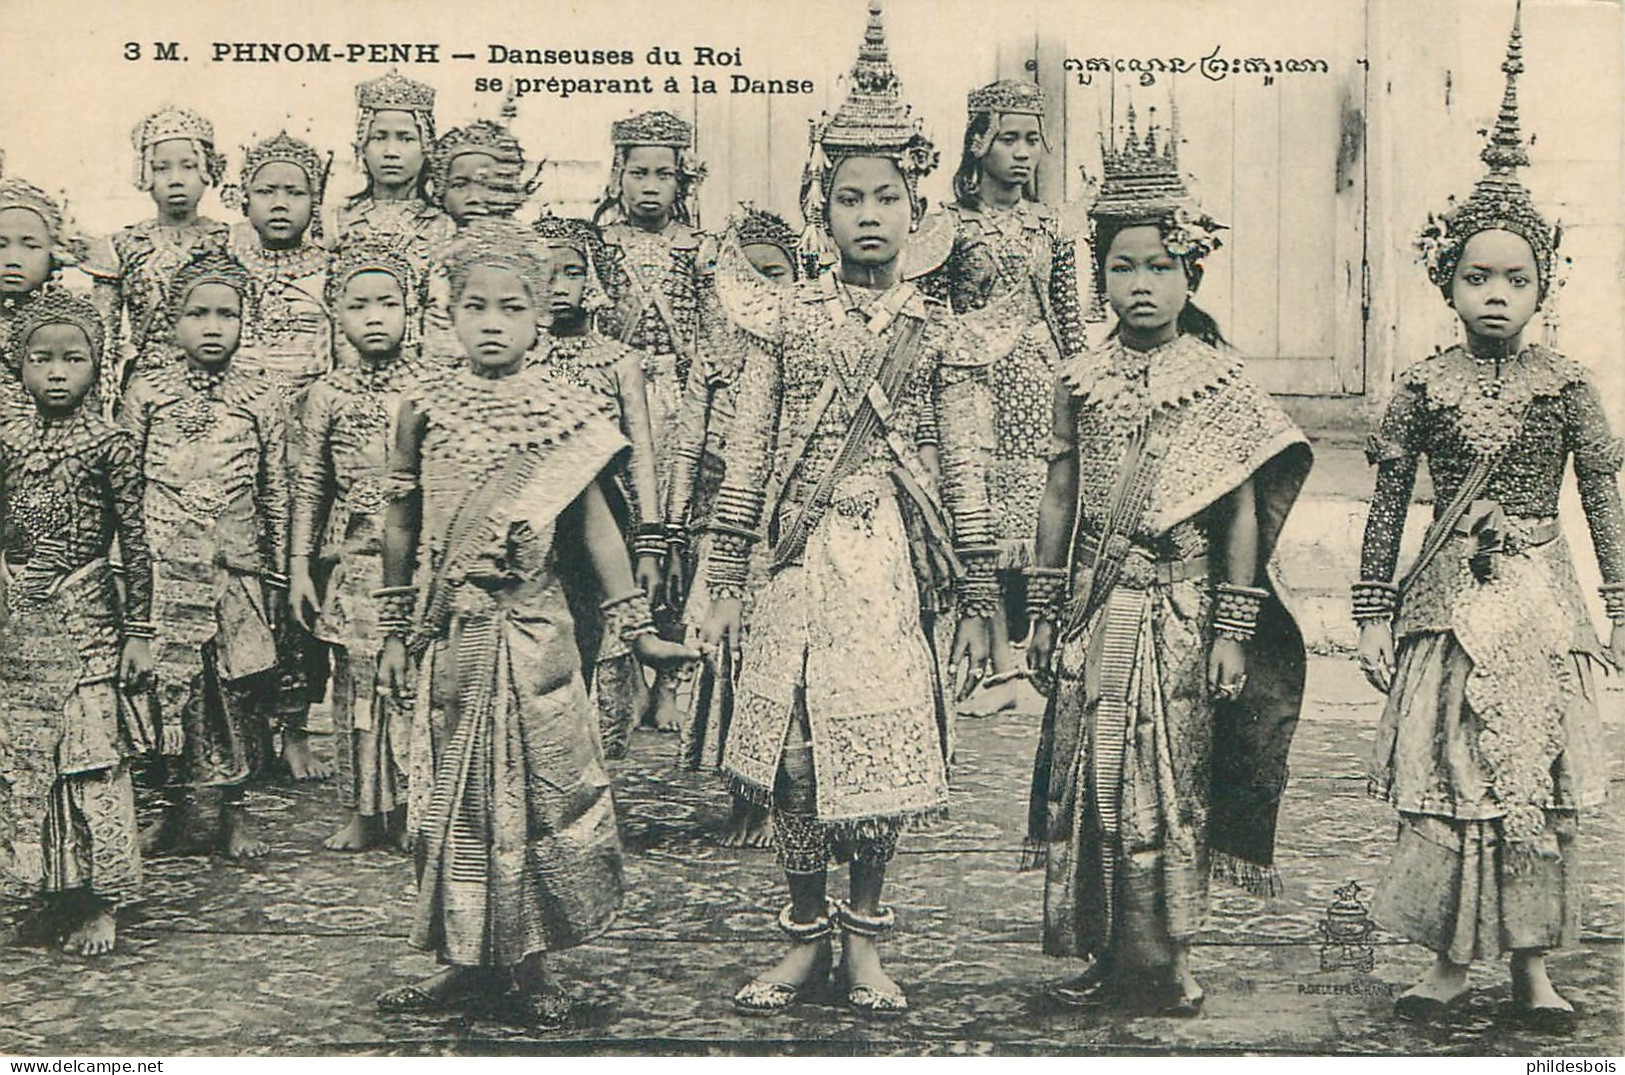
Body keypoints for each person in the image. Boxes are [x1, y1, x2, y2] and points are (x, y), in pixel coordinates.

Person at [703, 0, 995, 1017]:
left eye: (884, 197)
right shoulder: (782, 319)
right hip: (792, 558)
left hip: (887, 565)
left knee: (873, 745)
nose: (866, 213)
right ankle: (799, 933)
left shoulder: (940, 329)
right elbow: (744, 449)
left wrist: (971, 582)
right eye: (846, 198)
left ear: (916, 210)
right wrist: (724, 572)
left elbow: (964, 462)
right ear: (818, 210)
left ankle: (865, 939)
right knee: (792, 754)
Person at [1353, 1, 1621, 1030]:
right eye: (1477, 276)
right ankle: (1446, 963)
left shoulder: (1565, 386)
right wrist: (1371, 611)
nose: (1495, 294)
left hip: (1540, 611)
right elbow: (1383, 502)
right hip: (1445, 612)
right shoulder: (1420, 387)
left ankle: (1530, 969)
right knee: (1446, 775)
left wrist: (1618, 605)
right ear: (1445, 282)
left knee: (1533, 782)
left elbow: (1599, 495)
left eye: (1515, 278)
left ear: (1542, 284)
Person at [1023, 108, 1312, 1016]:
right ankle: (1108, 954)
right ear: (1098, 273)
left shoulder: (1217, 380)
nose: (1141, 284)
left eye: (1160, 265)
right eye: (1122, 265)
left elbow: (1237, 511)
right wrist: (1042, 611)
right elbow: (1058, 497)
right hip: (1096, 606)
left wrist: (1233, 630)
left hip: (1181, 611)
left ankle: (1171, 958)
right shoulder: (1077, 376)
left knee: (1167, 780)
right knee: (1093, 776)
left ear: (1191, 269)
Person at [370, 218, 692, 1028]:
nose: (490, 322)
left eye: (510, 308)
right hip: (455, 633)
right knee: (457, 798)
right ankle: (459, 957)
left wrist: (634, 625)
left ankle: (532, 962)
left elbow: (593, 529)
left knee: (539, 797)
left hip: (538, 635)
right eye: (473, 306)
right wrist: (392, 621)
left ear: (539, 316)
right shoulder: (420, 402)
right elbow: (400, 518)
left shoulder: (565, 410)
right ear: (444, 311)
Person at [925, 78, 1091, 717]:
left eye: (1032, 141)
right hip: (975, 387)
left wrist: (1080, 384)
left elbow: (1070, 318)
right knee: (984, 519)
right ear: (976, 145)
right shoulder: (948, 228)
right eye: (1009, 139)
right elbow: (935, 316)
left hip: (1042, 383)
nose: (1023, 154)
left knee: (1040, 518)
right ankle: (994, 663)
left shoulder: (1052, 226)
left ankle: (1029, 659)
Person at [119, 250, 290, 861]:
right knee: (170, 688)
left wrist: (278, 572)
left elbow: (277, 487)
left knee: (240, 685)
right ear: (172, 321)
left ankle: (235, 808)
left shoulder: (260, 394)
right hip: (166, 566)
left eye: (227, 314)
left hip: (235, 566)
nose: (212, 326)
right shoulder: (147, 390)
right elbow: (126, 482)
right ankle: (169, 808)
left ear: (247, 322)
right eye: (198, 313)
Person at [0, 288, 153, 955]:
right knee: (29, 761)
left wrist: (142, 632)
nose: (57, 372)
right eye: (41, 359)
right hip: (19, 620)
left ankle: (101, 898)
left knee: (89, 759)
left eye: (74, 359)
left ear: (98, 364)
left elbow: (138, 541)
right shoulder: (7, 438)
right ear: (18, 365)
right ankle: (48, 889)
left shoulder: (111, 443)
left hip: (88, 616)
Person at [666, 205, 800, 847]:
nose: (763, 291)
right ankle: (743, 796)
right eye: (749, 278)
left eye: (776, 275)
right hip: (723, 528)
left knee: (777, 666)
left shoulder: (800, 349)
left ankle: (783, 798)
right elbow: (687, 447)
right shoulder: (714, 359)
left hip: (786, 532)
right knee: (724, 658)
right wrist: (671, 524)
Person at [290, 237, 426, 852]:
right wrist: (298, 570)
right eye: (359, 304)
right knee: (355, 689)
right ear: (335, 314)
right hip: (350, 563)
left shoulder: (428, 389)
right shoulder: (325, 395)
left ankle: (415, 809)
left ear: (411, 310)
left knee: (411, 687)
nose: (375, 316)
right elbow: (309, 486)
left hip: (412, 564)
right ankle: (364, 810)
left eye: (388, 303)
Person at [593, 108, 715, 734]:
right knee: (619, 529)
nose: (649, 186)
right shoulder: (598, 247)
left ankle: (670, 682)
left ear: (681, 182)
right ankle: (618, 676)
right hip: (615, 399)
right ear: (618, 176)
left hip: (680, 401)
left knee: (676, 536)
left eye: (662, 175)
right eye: (638, 173)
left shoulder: (701, 250)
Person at [531, 214, 663, 760]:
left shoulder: (619, 361)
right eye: (545, 274)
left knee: (600, 641)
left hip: (605, 518)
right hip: (538, 525)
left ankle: (597, 773)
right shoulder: (523, 359)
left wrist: (651, 538)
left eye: (571, 272)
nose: (558, 286)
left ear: (594, 282)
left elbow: (641, 452)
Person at [228, 131, 336, 783]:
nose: (279, 203)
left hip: (307, 437)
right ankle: (246, 730)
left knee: (303, 583)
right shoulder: (228, 270)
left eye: (293, 191)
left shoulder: (330, 270)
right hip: (245, 440)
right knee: (251, 579)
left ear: (315, 201)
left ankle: (295, 727)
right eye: (266, 190)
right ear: (243, 199)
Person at [84, 106, 231, 401]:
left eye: (188, 166)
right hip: (146, 388)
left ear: (207, 170)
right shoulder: (122, 245)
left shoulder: (231, 241)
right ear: (145, 172)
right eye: (162, 168)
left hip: (219, 386)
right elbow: (103, 337)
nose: (175, 179)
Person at [421, 112, 538, 362]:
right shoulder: (430, 248)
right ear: (441, 189)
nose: (474, 197)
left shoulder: (529, 249)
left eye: (486, 184)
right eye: (460, 185)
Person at [336, 70, 454, 261]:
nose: (391, 152)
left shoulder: (445, 225)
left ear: (426, 146)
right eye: (379, 138)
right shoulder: (338, 221)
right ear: (362, 146)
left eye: (405, 138)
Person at [0, 176, 90, 424]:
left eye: (30, 246)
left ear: (54, 252)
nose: (13, 260)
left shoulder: (72, 324)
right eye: (1, 245)